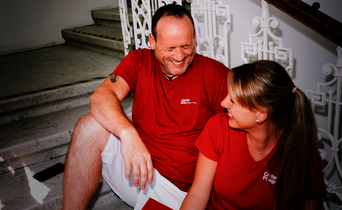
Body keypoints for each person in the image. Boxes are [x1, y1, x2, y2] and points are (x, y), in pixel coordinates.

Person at [62, 3, 229, 210]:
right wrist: (128, 134)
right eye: (170, 48)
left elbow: (239, 133)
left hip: (186, 194)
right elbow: (101, 96)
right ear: (152, 41)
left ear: (194, 38)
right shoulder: (138, 60)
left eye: (186, 46)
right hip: (139, 172)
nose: (179, 57)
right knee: (89, 127)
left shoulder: (215, 73)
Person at [180, 60, 326, 210]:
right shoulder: (218, 127)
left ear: (261, 114)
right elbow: (198, 194)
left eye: (232, 101)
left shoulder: (301, 152)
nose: (223, 103)